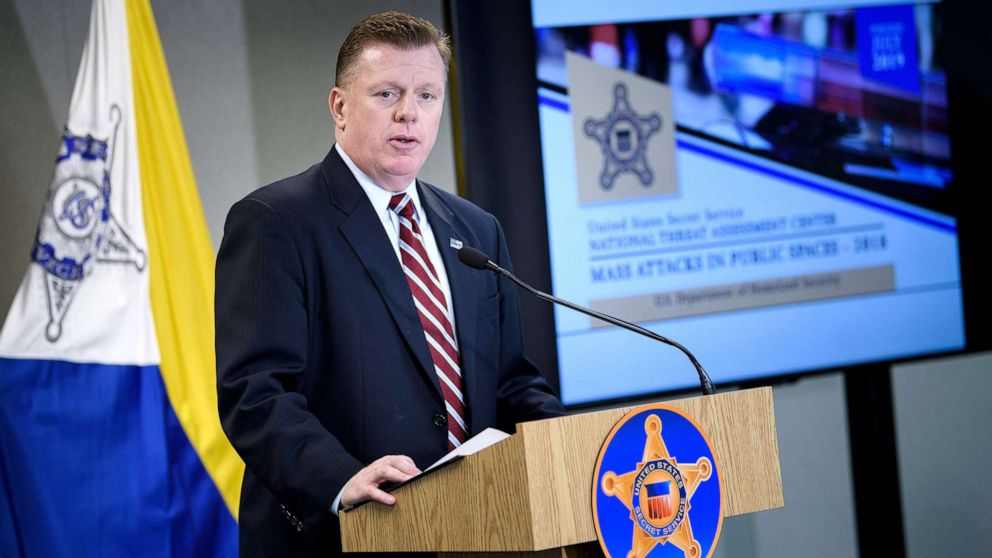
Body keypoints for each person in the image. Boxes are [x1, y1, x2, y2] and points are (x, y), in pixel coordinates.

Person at [215, 11, 565, 557]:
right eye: (387, 93)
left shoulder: (475, 230)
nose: (409, 113)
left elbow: (509, 381)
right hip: (344, 537)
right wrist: (339, 479)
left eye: (427, 96)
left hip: (475, 530)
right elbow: (255, 393)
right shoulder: (275, 221)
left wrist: (584, 450)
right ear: (339, 106)